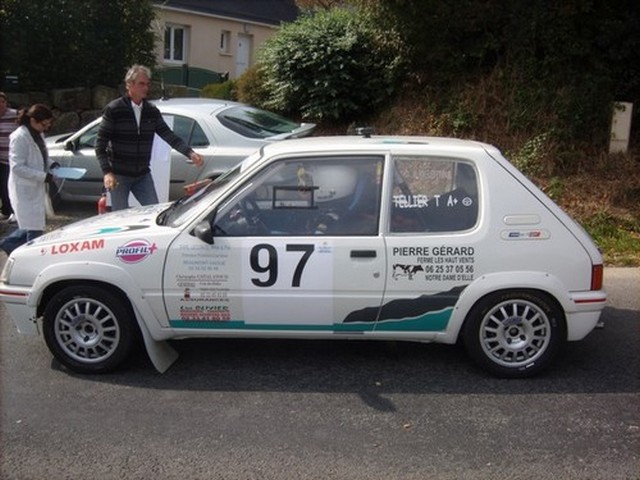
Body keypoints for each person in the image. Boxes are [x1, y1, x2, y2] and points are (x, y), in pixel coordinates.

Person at [95, 64, 204, 211]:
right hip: (119, 175)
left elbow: (169, 135)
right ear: (129, 85)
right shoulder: (114, 109)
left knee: (155, 213)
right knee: (118, 218)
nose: (146, 88)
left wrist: (190, 153)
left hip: (142, 174)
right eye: (141, 84)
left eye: (147, 84)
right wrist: (107, 172)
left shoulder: (151, 111)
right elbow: (100, 144)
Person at [0, 104, 57, 255]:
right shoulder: (19, 137)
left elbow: (40, 156)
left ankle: (7, 244)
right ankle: (31, 256)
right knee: (34, 228)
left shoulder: (38, 134)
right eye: (44, 124)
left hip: (35, 187)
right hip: (24, 189)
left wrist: (52, 164)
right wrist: (43, 176)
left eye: (48, 124)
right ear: (33, 120)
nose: (46, 127)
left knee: (30, 225)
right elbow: (17, 167)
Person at [0, 92, 18, 221]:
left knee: (10, 186)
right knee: (2, 186)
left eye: (2, 102)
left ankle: (14, 211)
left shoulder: (15, 115)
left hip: (11, 159)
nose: (0, 105)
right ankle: (5, 211)